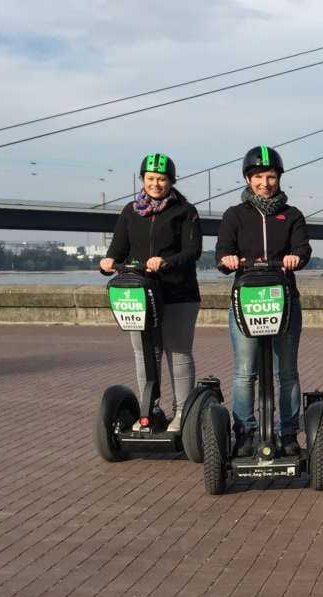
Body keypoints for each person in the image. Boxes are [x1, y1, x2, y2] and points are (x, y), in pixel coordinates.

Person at [215, 145, 312, 458]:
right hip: (246, 300)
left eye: (270, 176)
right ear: (247, 178)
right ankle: (244, 432)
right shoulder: (235, 215)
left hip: (285, 299)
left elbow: (303, 249)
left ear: (279, 178)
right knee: (245, 372)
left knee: (287, 373)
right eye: (258, 176)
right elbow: (221, 253)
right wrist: (228, 260)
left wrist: (296, 258)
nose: (265, 183)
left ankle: (287, 433)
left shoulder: (292, 215)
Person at [100, 153, 202, 429]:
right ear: (142, 179)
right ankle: (150, 408)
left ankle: (182, 413)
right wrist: (108, 262)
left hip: (178, 293)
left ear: (171, 180)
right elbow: (118, 249)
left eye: (161, 179)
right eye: (151, 178)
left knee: (178, 351)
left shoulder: (185, 211)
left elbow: (193, 251)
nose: (156, 184)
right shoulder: (130, 211)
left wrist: (166, 262)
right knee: (145, 351)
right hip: (140, 293)